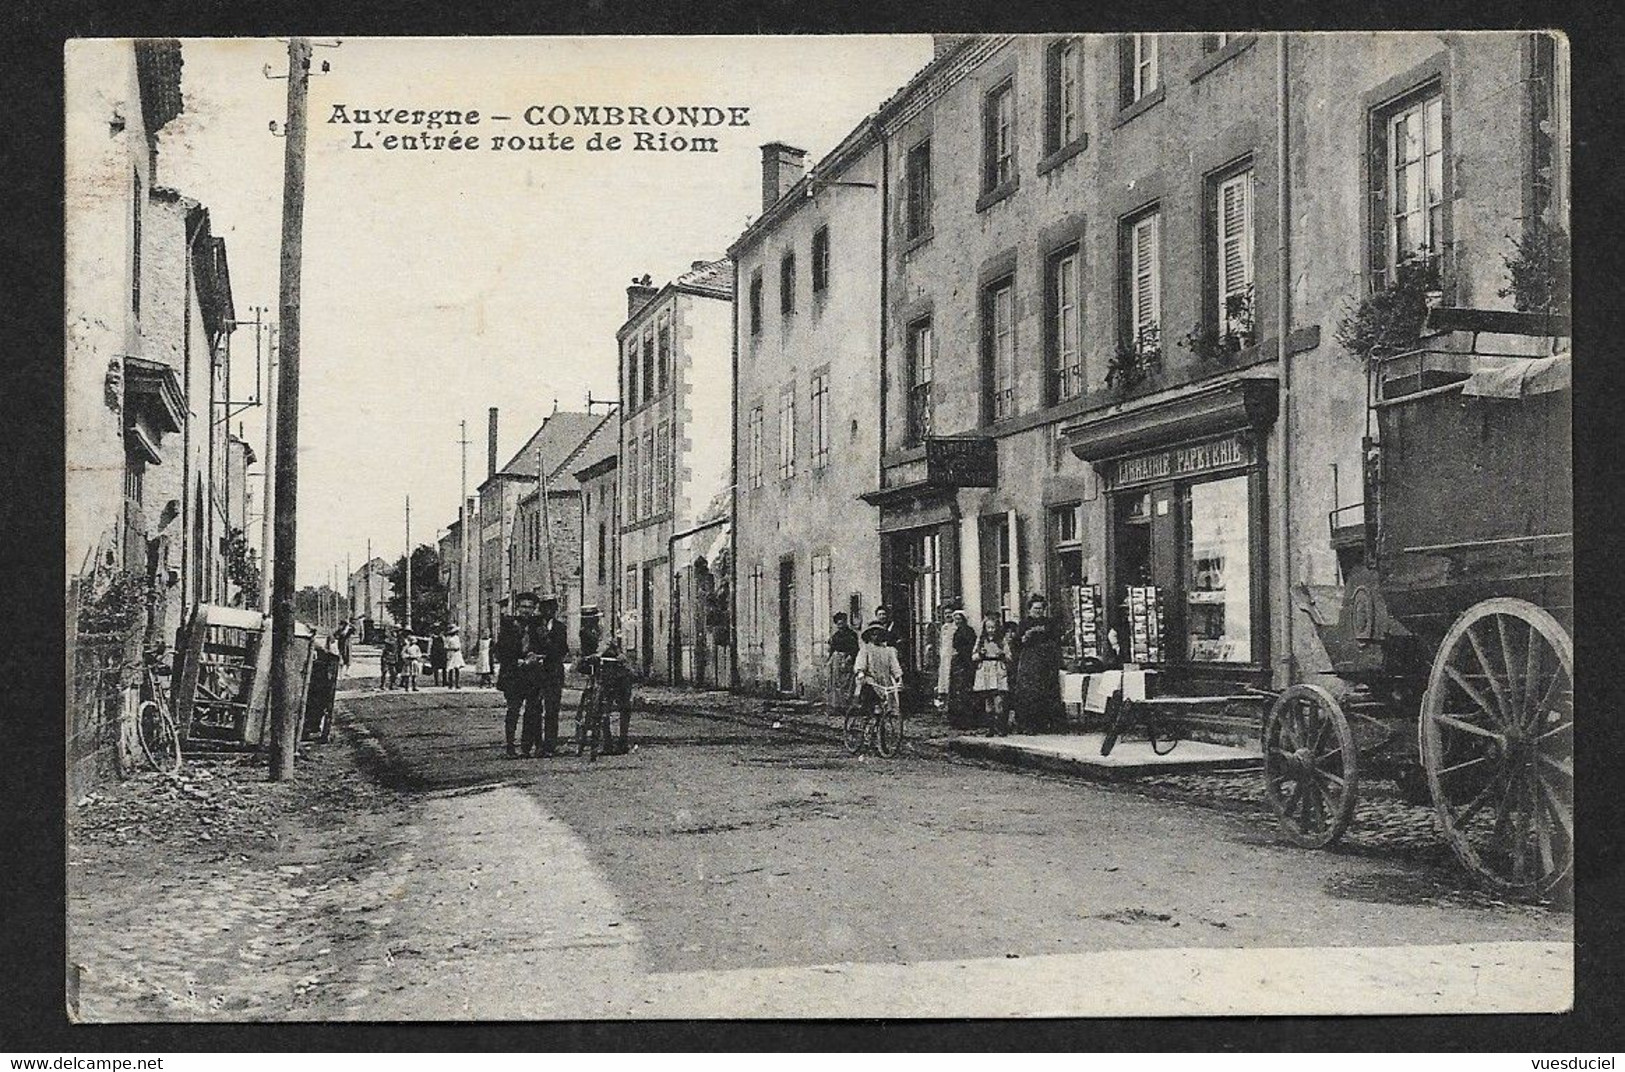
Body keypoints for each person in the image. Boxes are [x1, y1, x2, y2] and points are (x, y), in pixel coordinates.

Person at [496, 593, 547, 757]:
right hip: (514, 674)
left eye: (530, 607)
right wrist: (515, 660)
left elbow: (545, 646)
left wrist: (538, 655)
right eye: (524, 607)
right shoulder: (508, 624)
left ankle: (534, 746)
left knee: (535, 710)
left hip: (533, 674)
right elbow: (500, 650)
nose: (527, 610)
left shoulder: (537, 625)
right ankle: (510, 746)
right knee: (513, 710)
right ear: (518, 607)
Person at [1010, 593, 1065, 732]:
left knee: (1047, 690)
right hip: (1030, 660)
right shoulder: (1024, 623)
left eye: (1040, 609)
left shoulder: (1049, 623)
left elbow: (1056, 640)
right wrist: (1025, 637)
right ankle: (1029, 724)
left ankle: (1047, 724)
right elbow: (1016, 644)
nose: (1038, 612)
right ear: (1030, 609)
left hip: (1046, 661)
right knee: (1030, 692)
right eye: (1035, 609)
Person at [535, 594, 570, 756]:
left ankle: (550, 744)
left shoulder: (560, 628)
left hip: (554, 672)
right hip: (535, 673)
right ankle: (535, 744)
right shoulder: (533, 626)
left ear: (555, 610)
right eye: (544, 608)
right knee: (534, 709)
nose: (547, 611)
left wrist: (547, 644)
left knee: (552, 709)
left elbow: (562, 650)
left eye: (551, 608)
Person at [853, 619, 905, 718]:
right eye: (873, 634)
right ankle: (867, 720)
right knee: (871, 694)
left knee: (889, 700)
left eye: (879, 634)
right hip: (870, 679)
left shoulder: (889, 650)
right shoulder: (866, 649)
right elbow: (861, 663)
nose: (876, 637)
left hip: (884, 680)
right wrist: (861, 672)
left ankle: (883, 724)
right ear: (869, 636)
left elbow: (894, 665)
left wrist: (899, 677)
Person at [972, 616, 1011, 736]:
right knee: (988, 700)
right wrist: (980, 654)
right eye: (988, 627)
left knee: (999, 699)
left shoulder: (1001, 640)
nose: (990, 630)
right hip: (985, 669)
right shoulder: (981, 640)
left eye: (993, 627)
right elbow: (973, 656)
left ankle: (1001, 726)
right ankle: (991, 727)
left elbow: (1009, 656)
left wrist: (1002, 653)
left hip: (998, 668)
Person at [826, 612, 860, 718]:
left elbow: (855, 648)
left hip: (848, 659)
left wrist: (850, 657)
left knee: (847, 683)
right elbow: (832, 650)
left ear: (846, 622)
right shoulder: (835, 636)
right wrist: (829, 660)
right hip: (836, 660)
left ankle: (847, 707)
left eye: (842, 621)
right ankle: (838, 707)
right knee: (836, 683)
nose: (840, 623)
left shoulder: (852, 634)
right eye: (838, 622)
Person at [947, 608, 977, 728]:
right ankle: (956, 719)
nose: (957, 621)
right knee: (956, 690)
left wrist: (963, 655)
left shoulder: (968, 631)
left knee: (964, 689)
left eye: (959, 619)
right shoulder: (957, 631)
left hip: (965, 662)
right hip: (958, 662)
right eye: (956, 619)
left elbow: (970, 645)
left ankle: (965, 720)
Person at [443, 624, 465, 690]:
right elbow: (445, 647)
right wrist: (452, 649)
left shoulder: (457, 637)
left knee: (457, 668)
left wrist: (458, 650)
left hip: (457, 654)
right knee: (450, 668)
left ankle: (457, 683)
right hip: (451, 653)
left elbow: (459, 645)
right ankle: (450, 684)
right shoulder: (448, 638)